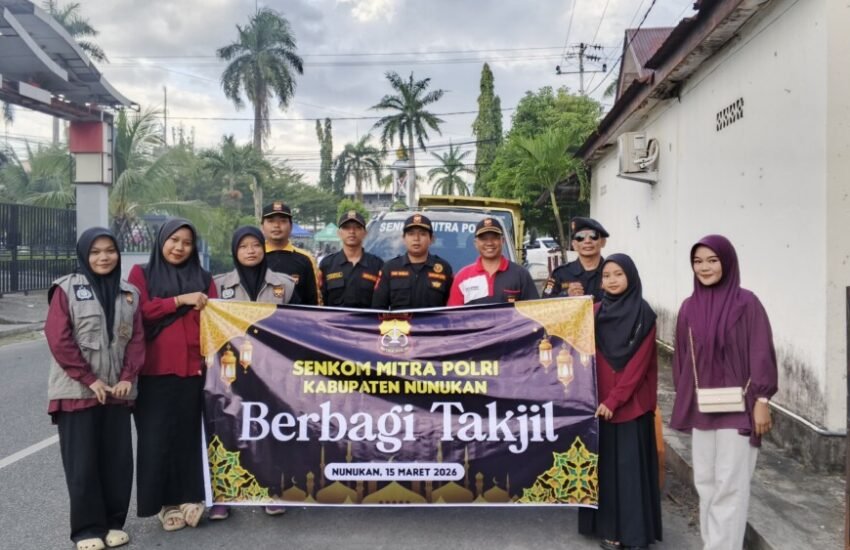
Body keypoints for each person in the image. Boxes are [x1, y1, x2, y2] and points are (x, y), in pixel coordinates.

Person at [670, 235, 777, 550]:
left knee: (730, 486)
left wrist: (762, 400)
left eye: (712, 260)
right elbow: (682, 360)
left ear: (727, 262)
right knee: (705, 484)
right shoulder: (689, 308)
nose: (704, 267)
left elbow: (761, 351)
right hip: (703, 407)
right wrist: (686, 402)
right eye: (698, 261)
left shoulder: (747, 303)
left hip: (739, 409)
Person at [45, 227, 144, 550]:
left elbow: (136, 340)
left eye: (110, 251)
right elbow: (59, 339)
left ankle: (114, 523)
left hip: (117, 393)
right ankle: (87, 529)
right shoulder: (66, 289)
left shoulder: (130, 293)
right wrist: (90, 379)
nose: (104, 257)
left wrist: (128, 377)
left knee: (117, 462)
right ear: (84, 255)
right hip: (77, 392)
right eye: (96, 252)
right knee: (83, 464)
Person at [128, 218, 216, 532]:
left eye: (187, 243)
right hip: (153, 373)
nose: (179, 247)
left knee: (190, 437)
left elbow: (216, 322)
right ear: (161, 240)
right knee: (156, 439)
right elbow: (138, 313)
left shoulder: (204, 278)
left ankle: (191, 496)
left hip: (194, 372)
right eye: (174, 240)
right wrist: (179, 300)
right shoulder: (141, 274)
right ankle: (166, 504)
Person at [209, 226, 297, 519]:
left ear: (264, 248)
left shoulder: (284, 285)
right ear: (235, 251)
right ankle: (223, 493)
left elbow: (301, 326)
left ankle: (271, 490)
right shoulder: (218, 285)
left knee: (270, 429)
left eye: (255, 245)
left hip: (272, 372)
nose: (250, 251)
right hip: (230, 372)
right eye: (243, 246)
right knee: (227, 426)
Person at [578, 254, 662, 550]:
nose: (612, 280)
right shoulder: (593, 313)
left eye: (618, 274)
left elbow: (638, 366)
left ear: (631, 277)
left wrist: (615, 400)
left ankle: (635, 534)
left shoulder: (643, 313)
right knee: (605, 470)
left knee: (630, 470)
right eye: (606, 275)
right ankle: (608, 529)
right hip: (597, 404)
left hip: (631, 405)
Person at [447, 217, 538, 306]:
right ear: (476, 243)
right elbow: (454, 314)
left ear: (502, 241)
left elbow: (534, 311)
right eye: (484, 239)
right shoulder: (462, 277)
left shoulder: (521, 275)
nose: (489, 243)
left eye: (494, 238)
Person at [371, 213, 453, 309]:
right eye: (411, 234)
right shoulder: (390, 268)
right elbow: (378, 308)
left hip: (433, 320)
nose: (416, 239)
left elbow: (451, 309)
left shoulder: (444, 269)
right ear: (404, 239)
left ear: (431, 239)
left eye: (422, 234)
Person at [319, 210, 384, 308]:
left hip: (367, 318)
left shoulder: (377, 265)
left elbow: (382, 302)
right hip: (334, 318)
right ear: (339, 233)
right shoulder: (327, 264)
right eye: (346, 227)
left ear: (365, 233)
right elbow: (319, 301)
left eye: (357, 227)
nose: (352, 232)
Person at [261, 201, 321, 305]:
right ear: (262, 226)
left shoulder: (306, 259)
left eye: (283, 221)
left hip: (297, 315)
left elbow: (314, 300)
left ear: (291, 226)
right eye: (271, 221)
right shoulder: (254, 257)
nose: (276, 225)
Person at [542, 217, 608, 302]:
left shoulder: (614, 272)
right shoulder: (559, 274)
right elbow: (544, 303)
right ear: (574, 245)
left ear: (603, 242)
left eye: (593, 236)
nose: (587, 241)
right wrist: (566, 295)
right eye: (580, 237)